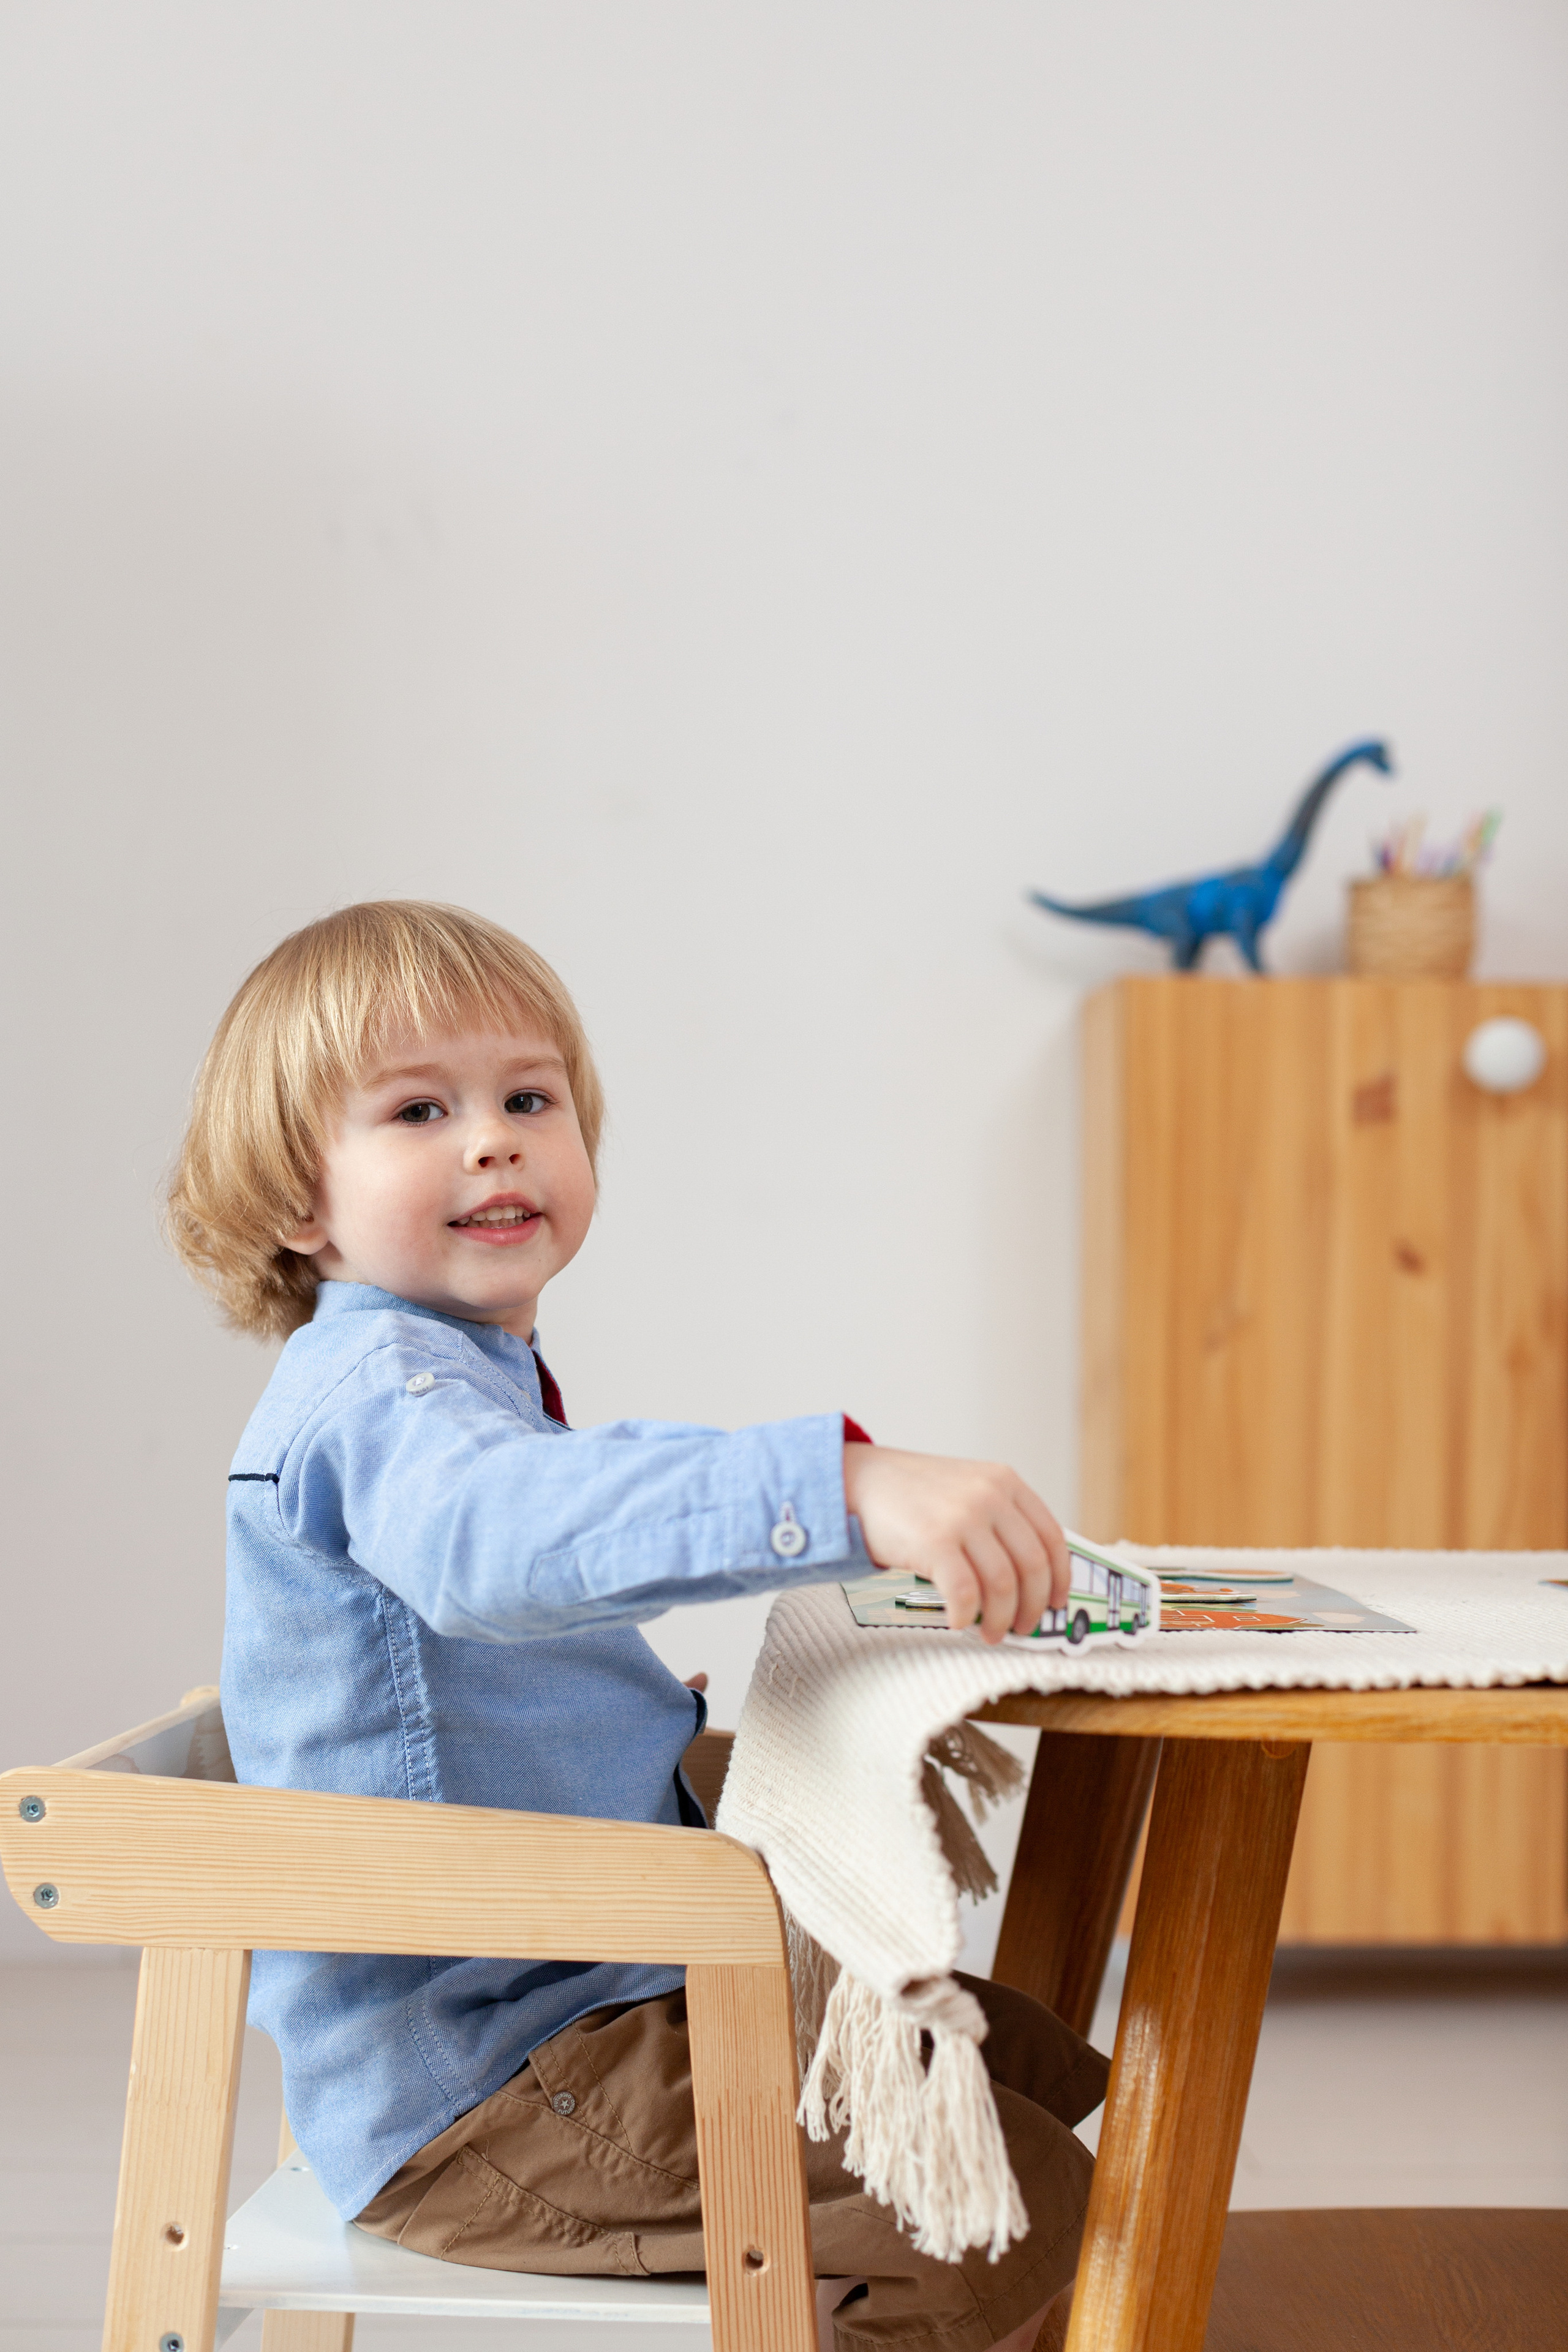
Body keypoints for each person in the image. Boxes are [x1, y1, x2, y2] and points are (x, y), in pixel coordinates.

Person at [168, 899, 1108, 2352]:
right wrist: (837, 1482)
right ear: (301, 1204)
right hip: (492, 2080)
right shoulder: (378, 1409)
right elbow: (512, 1537)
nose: (492, 1138)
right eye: (419, 1109)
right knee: (1009, 2185)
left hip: (587, 2004)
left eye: (527, 1099)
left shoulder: (453, 1384)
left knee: (1022, 2059)